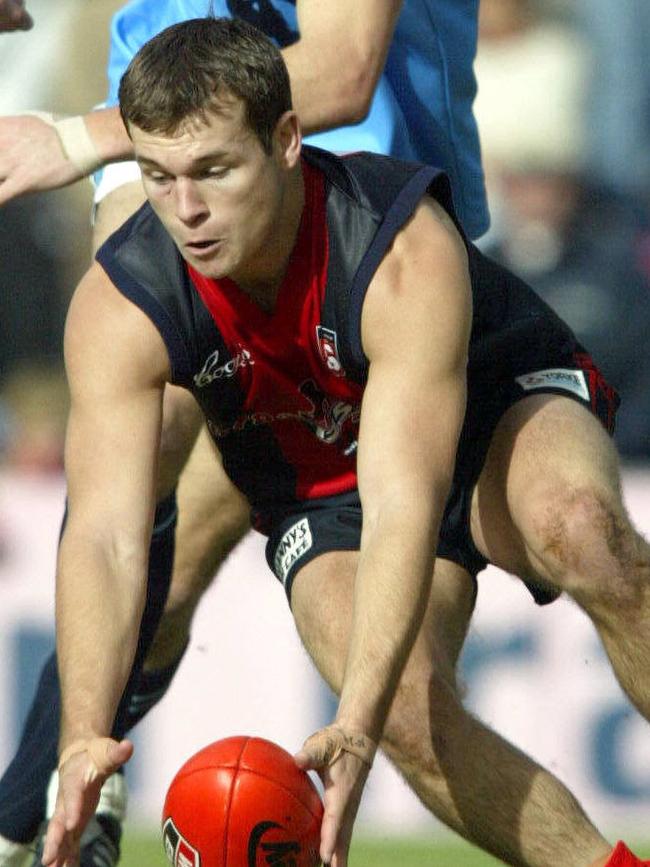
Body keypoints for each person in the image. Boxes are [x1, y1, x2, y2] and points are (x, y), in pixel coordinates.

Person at [39, 17, 650, 867]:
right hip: (325, 484)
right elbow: (105, 535)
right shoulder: (121, 304)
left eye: (215, 169)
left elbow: (407, 492)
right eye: (158, 176)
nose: (187, 211)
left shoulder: (398, 246)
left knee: (582, 527)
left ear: (288, 139)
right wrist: (81, 738)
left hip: (485, 410)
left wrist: (351, 721)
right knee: (404, 707)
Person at [0, 1, 491, 865]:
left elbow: (340, 71)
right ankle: (53, 791)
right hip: (160, 123)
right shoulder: (174, 189)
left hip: (347, 198)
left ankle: (41, 792)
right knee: (142, 449)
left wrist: (79, 138)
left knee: (574, 539)